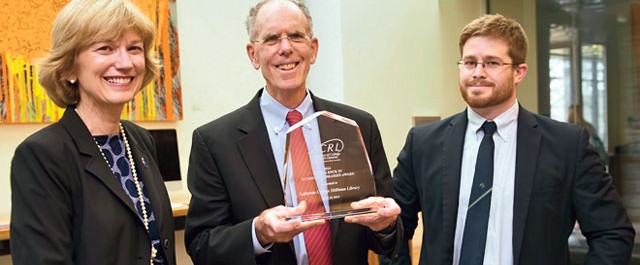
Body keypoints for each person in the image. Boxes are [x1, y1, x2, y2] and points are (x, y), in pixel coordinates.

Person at [392, 14, 634, 264]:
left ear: (519, 72)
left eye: (492, 63)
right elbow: (390, 227)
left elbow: (612, 233)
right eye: (469, 62)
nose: (478, 72)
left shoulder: (568, 145)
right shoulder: (423, 143)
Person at [184, 0, 402, 264]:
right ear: (253, 55)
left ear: (313, 49)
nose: (286, 48)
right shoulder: (216, 142)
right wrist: (258, 233)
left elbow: (387, 234)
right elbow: (201, 245)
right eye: (272, 39)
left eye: (296, 36)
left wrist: (385, 226)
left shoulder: (358, 125)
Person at [10, 0, 176, 264]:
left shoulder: (140, 140)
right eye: (105, 48)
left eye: (134, 48)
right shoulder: (43, 154)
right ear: (68, 68)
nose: (125, 63)